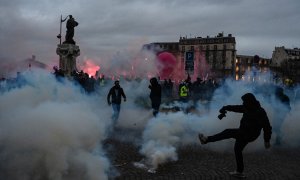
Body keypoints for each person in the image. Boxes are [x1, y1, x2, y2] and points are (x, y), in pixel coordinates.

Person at [198, 93, 272, 178]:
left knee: (228, 132)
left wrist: (267, 140)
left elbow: (267, 127)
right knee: (237, 150)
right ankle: (239, 172)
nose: (243, 103)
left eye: (244, 101)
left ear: (249, 101)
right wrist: (226, 107)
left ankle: (206, 140)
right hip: (244, 132)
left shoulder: (260, 112)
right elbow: (236, 108)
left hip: (250, 134)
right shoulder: (247, 107)